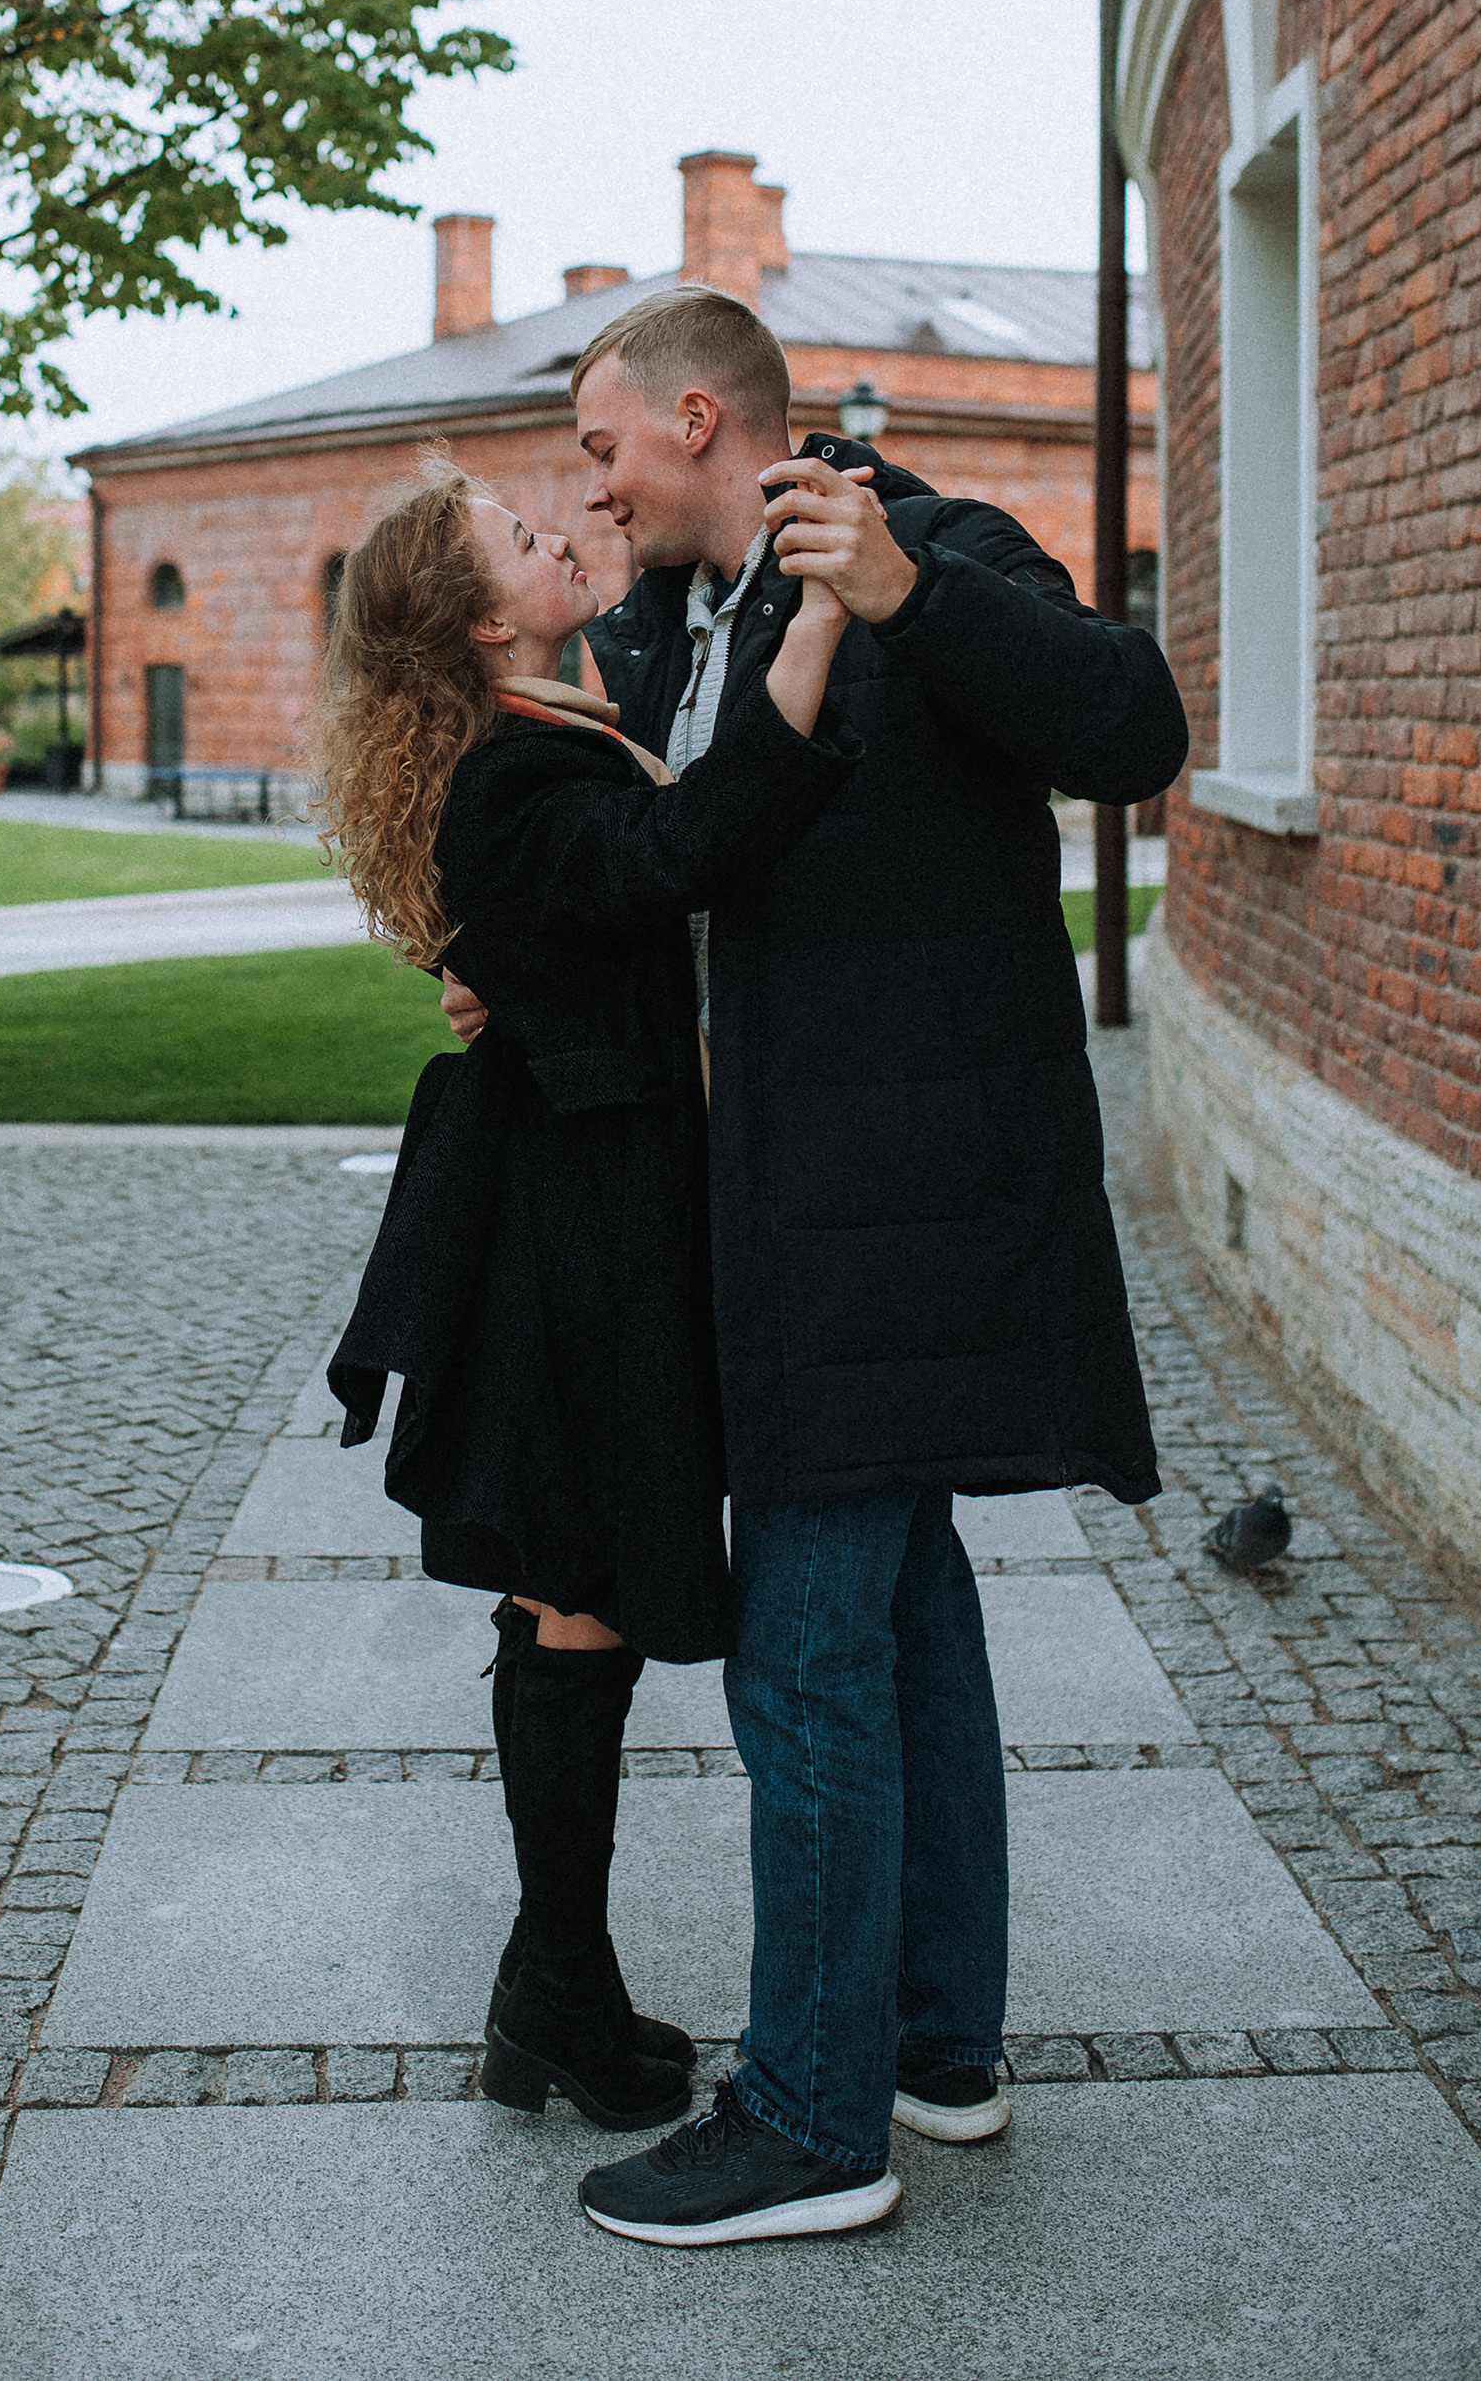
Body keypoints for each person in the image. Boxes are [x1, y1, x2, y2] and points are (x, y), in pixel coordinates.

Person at [443, 286, 1188, 2248]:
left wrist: (918, 593)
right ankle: (936, 2046)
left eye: (601, 446)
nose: (587, 484)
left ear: (697, 417)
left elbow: (1134, 726)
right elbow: (686, 875)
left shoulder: (914, 544)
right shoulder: (683, 623)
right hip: (802, 1209)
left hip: (894, 1217)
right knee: (911, 1621)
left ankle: (807, 2111)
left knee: (807, 1655)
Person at [314, 462, 862, 2146]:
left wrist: (631, 553)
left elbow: (611, 780)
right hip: (579, 1236)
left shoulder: (543, 718)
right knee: (575, 1593)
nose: (565, 534)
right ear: (483, 620)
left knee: (576, 1595)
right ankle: (555, 1993)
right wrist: (833, 610)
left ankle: (555, 1991)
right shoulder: (509, 776)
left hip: (593, 1208)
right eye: (525, 542)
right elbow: (688, 845)